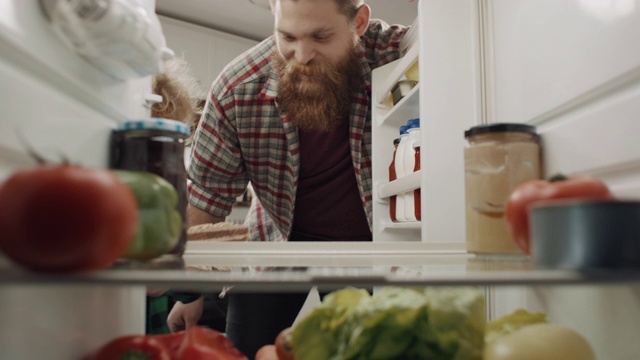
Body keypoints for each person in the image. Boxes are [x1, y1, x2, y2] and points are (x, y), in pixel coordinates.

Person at [167, 0, 408, 357]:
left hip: (373, 249)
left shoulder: (398, 55)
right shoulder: (237, 89)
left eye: (321, 37)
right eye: (288, 37)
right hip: (277, 243)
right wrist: (190, 290)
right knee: (244, 351)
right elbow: (206, 198)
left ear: (359, 22)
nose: (302, 55)